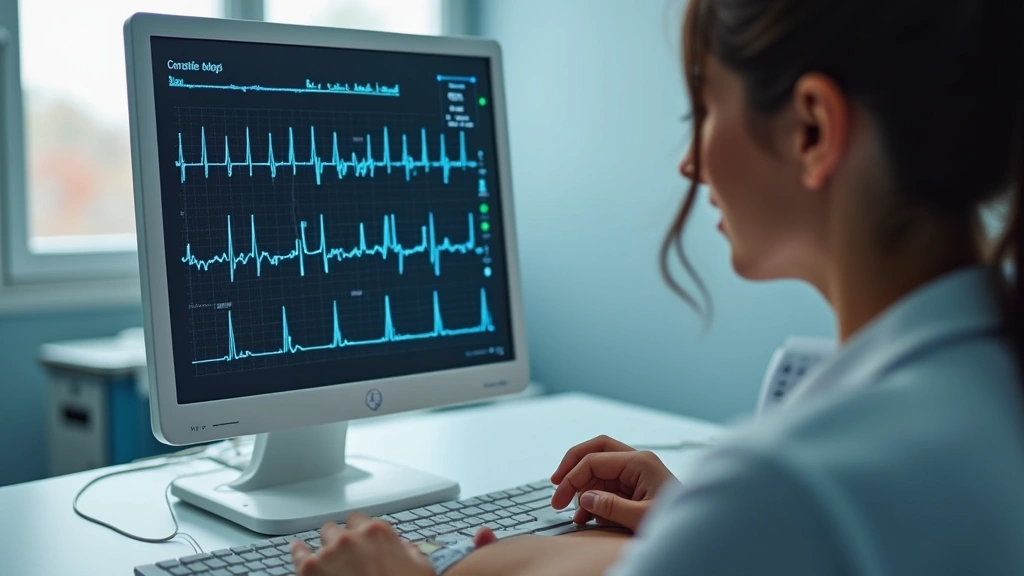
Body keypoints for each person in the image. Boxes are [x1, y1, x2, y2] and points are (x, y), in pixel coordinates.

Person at [289, 0, 1023, 573]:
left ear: (812, 131)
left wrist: (737, 521)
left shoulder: (786, 485)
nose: (689, 164)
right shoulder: (986, 386)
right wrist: (710, 528)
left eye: (703, 111)